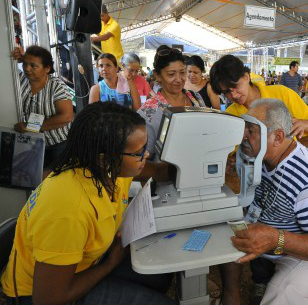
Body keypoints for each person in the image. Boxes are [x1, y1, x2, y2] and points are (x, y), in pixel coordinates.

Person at [0, 102, 176, 305]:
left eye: (145, 147)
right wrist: (111, 263)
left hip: (84, 265)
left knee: (160, 275)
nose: (146, 154)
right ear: (104, 158)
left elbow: (160, 171)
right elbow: (48, 299)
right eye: (139, 152)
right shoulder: (68, 210)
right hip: (37, 295)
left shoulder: (110, 170)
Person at [217, 98, 308, 305]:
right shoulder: (259, 157)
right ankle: (231, 296)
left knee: (282, 293)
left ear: (277, 137)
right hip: (280, 239)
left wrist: (275, 239)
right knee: (225, 232)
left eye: (251, 131)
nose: (243, 136)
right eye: (245, 128)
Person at [209, 55, 308, 139]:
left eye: (235, 86)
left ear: (246, 77)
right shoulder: (231, 115)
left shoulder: (282, 93)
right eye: (227, 92)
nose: (233, 95)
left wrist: (303, 124)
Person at [10, 46, 73, 170]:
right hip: (33, 142)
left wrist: (30, 126)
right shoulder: (21, 80)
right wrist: (15, 56)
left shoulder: (56, 86)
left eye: (34, 66)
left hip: (58, 144)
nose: (27, 69)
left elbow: (66, 116)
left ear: (47, 68)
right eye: (25, 64)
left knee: (55, 180)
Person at [138, 45, 206, 156]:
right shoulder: (148, 112)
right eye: (171, 74)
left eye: (183, 72)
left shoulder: (195, 98)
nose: (179, 79)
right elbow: (144, 157)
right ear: (157, 75)